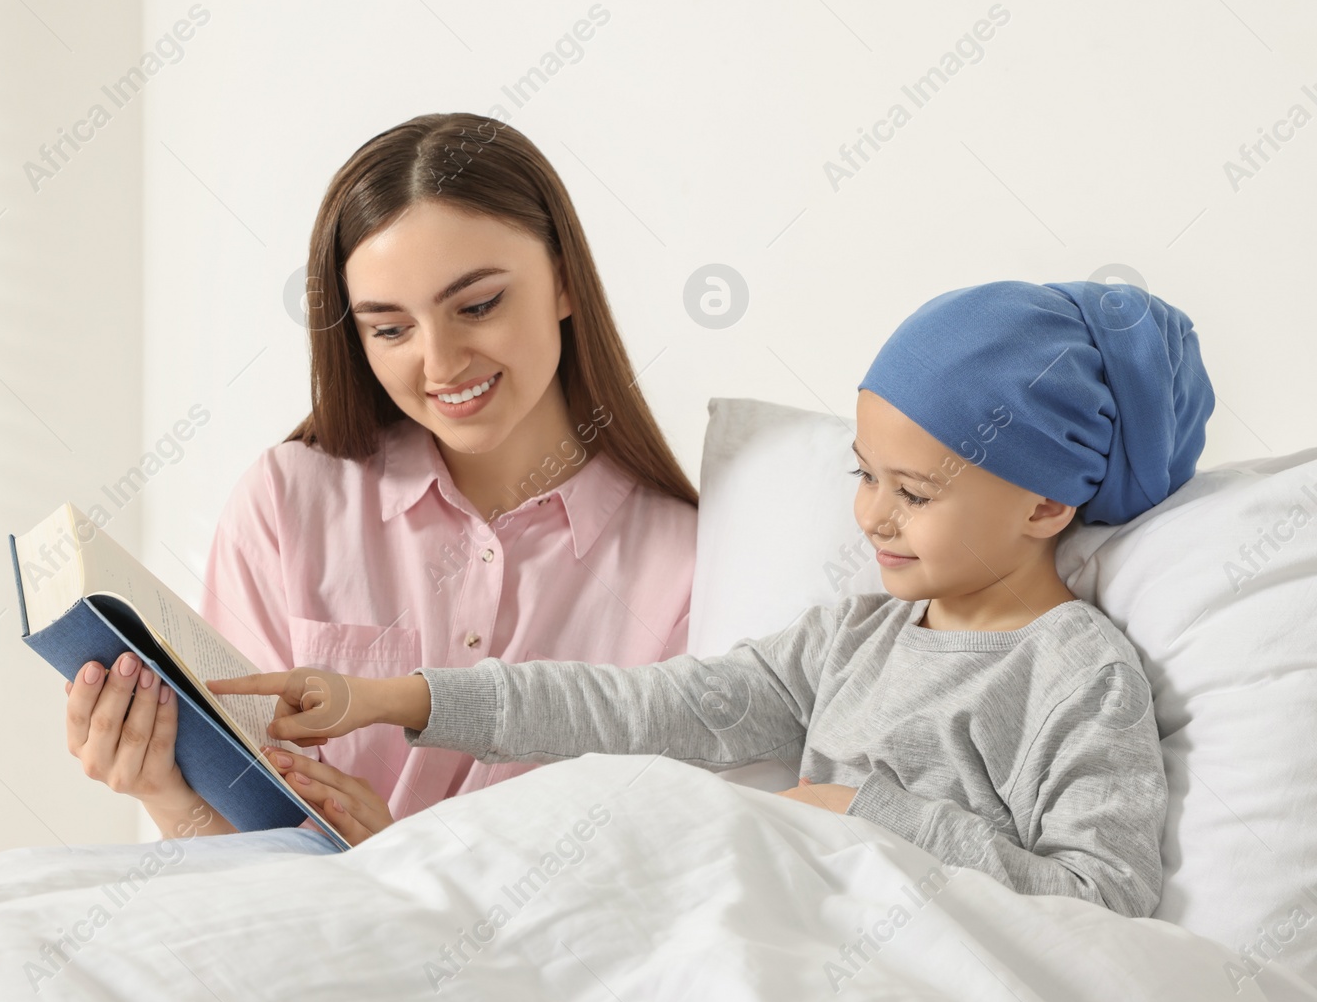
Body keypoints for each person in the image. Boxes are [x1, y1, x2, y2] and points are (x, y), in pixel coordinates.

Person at [229, 280, 1214, 918]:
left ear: (1045, 500)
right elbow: (635, 705)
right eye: (863, 474)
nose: (872, 516)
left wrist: (865, 812)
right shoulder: (847, 642)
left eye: (913, 494)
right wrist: (394, 697)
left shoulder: (1076, 673)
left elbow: (1105, 898)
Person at [62, 113, 698, 841]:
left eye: (479, 305)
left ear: (564, 280)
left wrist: (398, 861)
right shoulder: (287, 504)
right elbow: (239, 850)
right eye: (390, 328)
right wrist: (167, 790)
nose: (441, 362)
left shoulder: (685, 566)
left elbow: (653, 877)